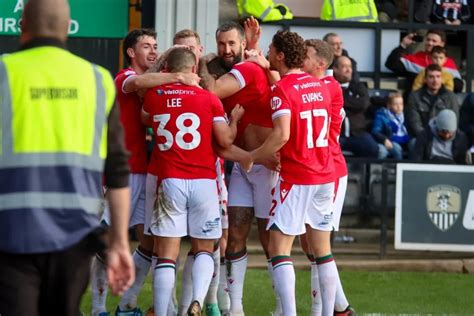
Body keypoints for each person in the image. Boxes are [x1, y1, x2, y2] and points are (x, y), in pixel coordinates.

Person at [0, 0, 134, 315]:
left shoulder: (4, 72)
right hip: (76, 235)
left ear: (22, 28)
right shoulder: (98, 80)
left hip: (11, 231)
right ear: (67, 30)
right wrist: (119, 243)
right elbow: (117, 169)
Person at [91, 28, 199, 316]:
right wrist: (179, 76)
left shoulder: (153, 86)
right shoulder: (125, 78)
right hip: (122, 171)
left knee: (151, 242)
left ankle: (127, 305)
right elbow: (138, 80)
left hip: (147, 171)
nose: (152, 51)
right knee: (107, 245)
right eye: (146, 46)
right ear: (131, 53)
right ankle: (98, 308)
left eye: (155, 46)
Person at [141, 47, 244, 316]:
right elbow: (225, 141)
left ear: (168, 69)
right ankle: (197, 300)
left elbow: (144, 116)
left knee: (165, 254)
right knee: (204, 249)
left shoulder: (155, 96)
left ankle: (162, 312)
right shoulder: (209, 99)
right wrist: (234, 121)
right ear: (194, 66)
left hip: (170, 181)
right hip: (203, 182)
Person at [245, 30, 336, 316]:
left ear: (281, 55)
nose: (268, 54)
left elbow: (282, 135)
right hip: (324, 174)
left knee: (279, 246)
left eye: (270, 50)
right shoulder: (322, 85)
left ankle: (289, 314)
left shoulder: (282, 89)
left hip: (298, 175)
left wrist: (253, 156)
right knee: (323, 251)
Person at [199, 21, 279, 316]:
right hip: (245, 165)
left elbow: (212, 88)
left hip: (267, 167)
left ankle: (286, 307)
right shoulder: (237, 69)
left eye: (232, 44)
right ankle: (235, 308)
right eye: (221, 44)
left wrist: (201, 62)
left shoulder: (244, 71)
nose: (226, 50)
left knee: (273, 241)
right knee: (235, 236)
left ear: (242, 45)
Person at [302, 39, 355, 316]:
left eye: (306, 56)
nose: (301, 59)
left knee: (318, 245)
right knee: (309, 243)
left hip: (329, 169)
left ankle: (321, 310)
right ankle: (341, 307)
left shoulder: (327, 86)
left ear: (321, 64)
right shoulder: (317, 84)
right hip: (314, 170)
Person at [385, 29, 463, 92]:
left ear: (442, 44)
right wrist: (403, 45)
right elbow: (391, 64)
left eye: (434, 41)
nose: (430, 43)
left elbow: (458, 86)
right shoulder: (415, 58)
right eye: (428, 40)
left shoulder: (448, 62)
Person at [333, 56, 380, 158]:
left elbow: (363, 104)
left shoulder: (359, 86)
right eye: (344, 66)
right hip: (336, 135)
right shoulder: (330, 86)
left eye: (350, 66)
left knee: (373, 148)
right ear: (335, 69)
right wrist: (353, 105)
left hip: (358, 133)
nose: (349, 70)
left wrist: (342, 105)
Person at [405, 63, 459, 137]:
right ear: (425, 79)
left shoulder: (450, 96)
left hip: (444, 137)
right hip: (421, 137)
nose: (435, 80)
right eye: (431, 77)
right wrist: (427, 139)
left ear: (442, 79)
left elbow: (454, 122)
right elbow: (415, 123)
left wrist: (442, 137)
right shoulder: (414, 96)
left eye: (438, 76)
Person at [371, 92, 410, 159]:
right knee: (396, 149)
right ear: (389, 105)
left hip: (403, 140)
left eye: (401, 104)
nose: (399, 107)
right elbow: (375, 131)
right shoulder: (381, 115)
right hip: (388, 140)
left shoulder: (406, 116)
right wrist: (384, 139)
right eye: (395, 104)